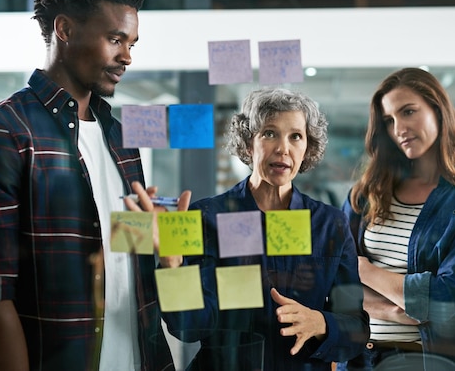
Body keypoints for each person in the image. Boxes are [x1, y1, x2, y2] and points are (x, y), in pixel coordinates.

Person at [0, 0, 176, 370]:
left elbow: (134, 256)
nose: (127, 56)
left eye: (132, 43)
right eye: (115, 39)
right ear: (65, 30)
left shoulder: (122, 138)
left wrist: (168, 249)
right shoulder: (4, 132)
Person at [148, 87, 370, 371]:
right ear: (248, 142)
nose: (283, 148)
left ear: (308, 148)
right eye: (269, 133)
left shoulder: (329, 224)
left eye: (295, 136)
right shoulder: (206, 217)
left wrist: (321, 323)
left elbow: (356, 328)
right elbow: (189, 329)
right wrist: (172, 266)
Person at [339, 67, 455, 371]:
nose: (399, 127)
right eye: (389, 120)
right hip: (363, 359)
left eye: (409, 111)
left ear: (438, 111)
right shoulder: (365, 195)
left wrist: (363, 269)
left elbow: (444, 297)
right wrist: (391, 309)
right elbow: (334, 282)